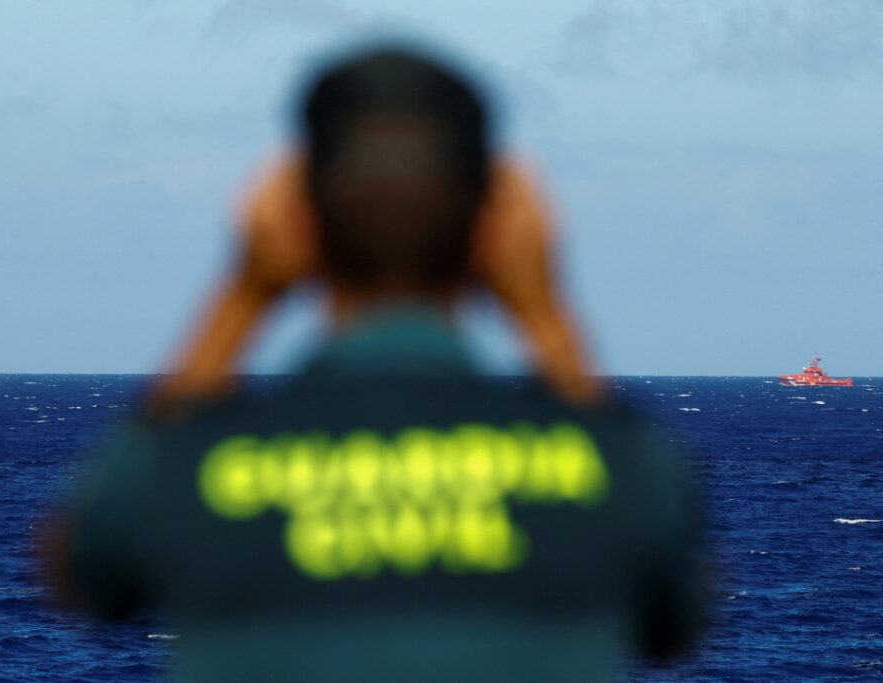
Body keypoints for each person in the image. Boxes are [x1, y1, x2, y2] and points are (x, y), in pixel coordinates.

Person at [50, 46, 706, 683]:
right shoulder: (618, 468)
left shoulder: (182, 465)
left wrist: (241, 298)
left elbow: (80, 571)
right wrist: (545, 311)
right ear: (494, 226)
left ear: (296, 221)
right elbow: (675, 620)